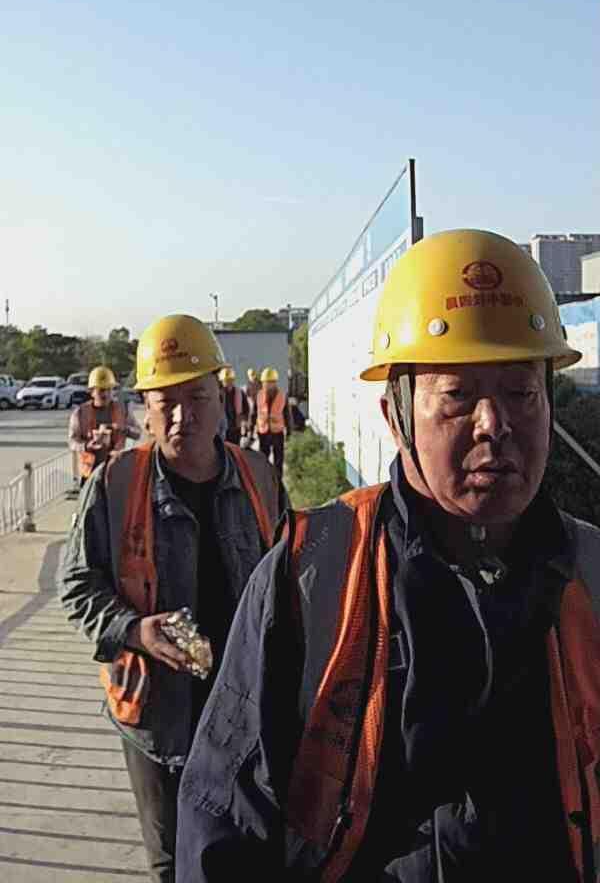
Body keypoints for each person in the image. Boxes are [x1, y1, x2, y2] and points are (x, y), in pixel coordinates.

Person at [177, 230, 600, 883]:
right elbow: (224, 820)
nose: (494, 423)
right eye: (458, 395)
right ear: (395, 415)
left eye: (521, 392)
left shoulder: (589, 573)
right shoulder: (310, 575)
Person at [58, 314, 283, 883]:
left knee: (246, 851)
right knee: (170, 862)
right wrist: (134, 630)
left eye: (197, 398)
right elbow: (77, 583)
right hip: (157, 720)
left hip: (246, 712)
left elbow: (290, 581)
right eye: (166, 403)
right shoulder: (114, 485)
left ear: (220, 398)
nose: (183, 416)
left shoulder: (258, 476)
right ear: (145, 408)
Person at [68, 365, 141, 487]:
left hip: (116, 469)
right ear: (91, 392)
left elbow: (138, 433)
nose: (106, 394)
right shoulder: (80, 413)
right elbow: (72, 441)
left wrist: (123, 428)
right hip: (90, 472)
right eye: (101, 390)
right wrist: (86, 446)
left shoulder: (123, 410)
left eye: (109, 390)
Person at [250, 367, 292, 477]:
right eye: (266, 383)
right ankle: (264, 479)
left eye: (270, 383)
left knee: (278, 459)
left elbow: (287, 415)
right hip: (263, 431)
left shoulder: (282, 396)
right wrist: (251, 429)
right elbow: (254, 413)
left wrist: (289, 431)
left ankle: (278, 480)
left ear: (275, 383)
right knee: (263, 458)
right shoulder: (259, 395)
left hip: (277, 432)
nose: (268, 385)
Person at [218, 367, 249, 446]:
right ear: (222, 381)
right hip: (222, 428)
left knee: (235, 448)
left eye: (230, 380)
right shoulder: (218, 393)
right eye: (226, 381)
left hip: (235, 428)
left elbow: (246, 408)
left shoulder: (240, 392)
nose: (228, 383)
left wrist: (243, 422)